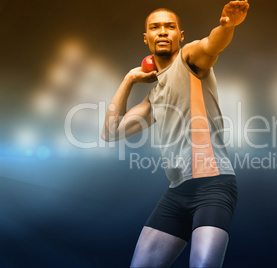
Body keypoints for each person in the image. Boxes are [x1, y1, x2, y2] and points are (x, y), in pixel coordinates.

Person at [102, 1, 249, 267]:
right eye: (155, 27)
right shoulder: (153, 98)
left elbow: (210, 45)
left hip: (213, 186)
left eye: (169, 27)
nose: (162, 32)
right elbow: (110, 132)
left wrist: (227, 26)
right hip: (177, 193)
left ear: (180, 36)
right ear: (146, 38)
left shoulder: (190, 59)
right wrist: (129, 79)